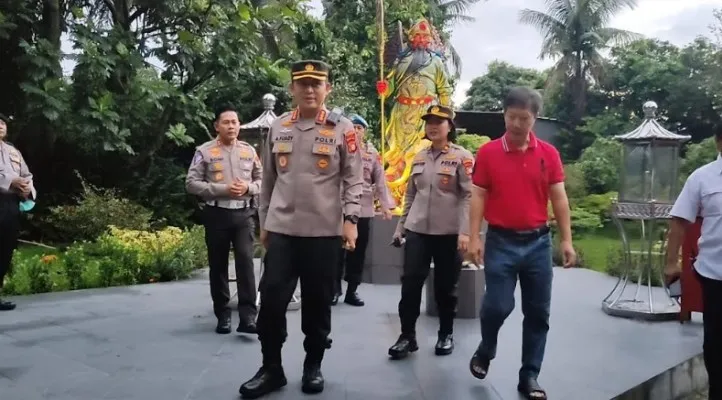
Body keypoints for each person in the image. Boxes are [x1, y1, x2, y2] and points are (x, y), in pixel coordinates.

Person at [239, 60, 363, 399]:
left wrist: (351, 221)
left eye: (316, 84)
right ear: (292, 89)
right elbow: (268, 181)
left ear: (327, 89)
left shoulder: (343, 129)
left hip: (323, 232)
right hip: (282, 230)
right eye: (302, 83)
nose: (309, 89)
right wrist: (264, 223)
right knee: (273, 300)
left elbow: (354, 179)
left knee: (318, 302)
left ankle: (313, 365)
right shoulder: (278, 127)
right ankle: (271, 368)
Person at [467, 87, 576, 400]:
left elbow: (559, 196)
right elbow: (478, 196)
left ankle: (530, 375)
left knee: (538, 313)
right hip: (501, 240)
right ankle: (487, 347)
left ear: (535, 118)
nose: (516, 124)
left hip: (538, 244)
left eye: (523, 118)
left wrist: (566, 240)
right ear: (504, 115)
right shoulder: (488, 153)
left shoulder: (548, 154)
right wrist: (474, 237)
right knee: (497, 305)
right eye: (511, 117)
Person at [387, 104, 473, 359]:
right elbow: (411, 195)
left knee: (446, 287)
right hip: (418, 231)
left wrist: (465, 232)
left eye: (439, 122)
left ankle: (446, 333)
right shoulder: (420, 156)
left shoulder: (462, 156)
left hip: (448, 233)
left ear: (450, 127)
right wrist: (401, 226)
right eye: (429, 122)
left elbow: (469, 195)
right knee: (410, 285)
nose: (433, 126)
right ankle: (407, 336)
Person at [185, 105, 261, 335]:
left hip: (244, 214)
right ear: (216, 126)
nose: (231, 126)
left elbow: (262, 179)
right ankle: (223, 315)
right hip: (217, 213)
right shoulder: (205, 151)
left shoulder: (249, 151)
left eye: (235, 122)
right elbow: (191, 183)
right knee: (218, 265)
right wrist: (221, 189)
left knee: (246, 263)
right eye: (226, 122)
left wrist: (248, 187)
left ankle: (248, 317)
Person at [664, 127, 722, 400]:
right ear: (718, 143)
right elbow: (679, 221)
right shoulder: (702, 178)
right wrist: (672, 262)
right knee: (715, 343)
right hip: (714, 274)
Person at [332, 113, 394, 307]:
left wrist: (385, 204)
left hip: (363, 208)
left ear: (364, 132)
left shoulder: (372, 154)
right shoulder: (337, 147)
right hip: (338, 207)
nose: (356, 131)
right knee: (335, 253)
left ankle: (352, 290)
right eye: (353, 127)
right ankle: (334, 290)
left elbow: (380, 181)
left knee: (357, 253)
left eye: (359, 128)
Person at [0, 113, 36, 311]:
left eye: (3, 122)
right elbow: (9, 178)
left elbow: (26, 174)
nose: (1, 125)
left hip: (10, 204)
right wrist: (9, 181)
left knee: (5, 249)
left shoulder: (13, 151)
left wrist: (27, 188)